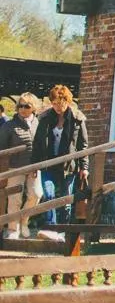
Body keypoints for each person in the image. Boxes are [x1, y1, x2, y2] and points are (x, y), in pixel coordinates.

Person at [33, 85, 89, 226]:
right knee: (49, 195)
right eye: (55, 103)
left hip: (68, 165)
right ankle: (51, 227)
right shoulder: (45, 118)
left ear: (68, 101)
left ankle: (64, 231)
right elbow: (38, 144)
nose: (58, 106)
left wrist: (84, 167)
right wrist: (34, 165)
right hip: (48, 163)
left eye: (61, 103)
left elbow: (83, 145)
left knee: (66, 200)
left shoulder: (77, 119)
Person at [1, 95, 39, 238]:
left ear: (33, 107)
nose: (23, 109)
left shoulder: (38, 123)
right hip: (15, 166)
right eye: (20, 106)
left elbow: (41, 144)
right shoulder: (9, 125)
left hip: (34, 166)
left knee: (36, 194)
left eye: (27, 106)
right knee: (14, 198)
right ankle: (13, 229)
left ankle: (24, 221)